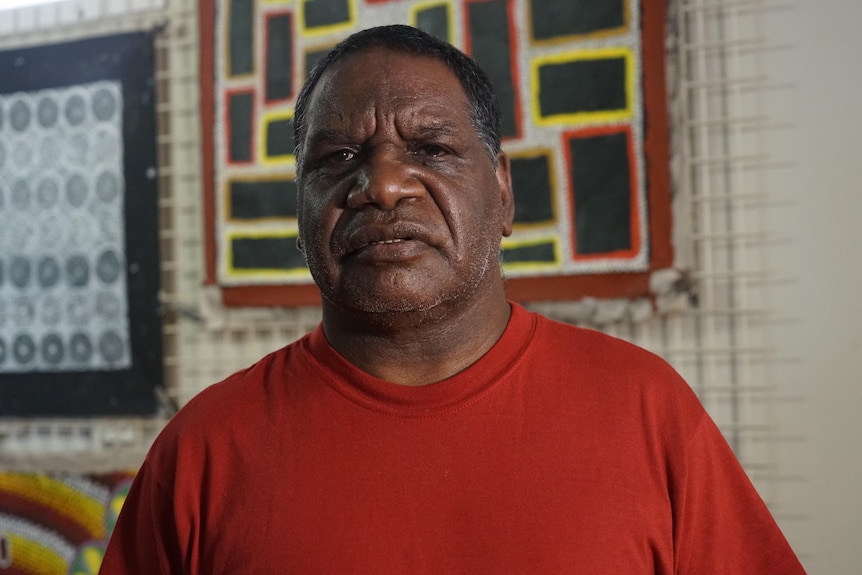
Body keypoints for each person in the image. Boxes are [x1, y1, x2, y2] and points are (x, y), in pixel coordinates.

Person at [100, 25, 805, 574]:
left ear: (502, 191)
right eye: (336, 158)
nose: (383, 185)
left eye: (432, 148)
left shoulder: (648, 411)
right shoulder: (202, 452)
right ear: (301, 208)